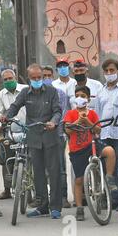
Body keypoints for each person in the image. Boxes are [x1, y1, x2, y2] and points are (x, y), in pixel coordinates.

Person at [4, 64, 63, 219]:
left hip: (50, 137)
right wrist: (6, 116)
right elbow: (15, 106)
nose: (37, 80)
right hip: (34, 137)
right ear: (28, 78)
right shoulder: (25, 93)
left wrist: (53, 122)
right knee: (38, 173)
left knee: (54, 172)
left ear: (43, 77)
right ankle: (42, 206)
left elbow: (57, 110)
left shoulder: (51, 91)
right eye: (34, 78)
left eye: (40, 77)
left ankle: (56, 207)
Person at [64, 86, 117, 221]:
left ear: (88, 99)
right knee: (79, 179)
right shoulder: (70, 113)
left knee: (109, 151)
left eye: (82, 95)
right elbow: (68, 131)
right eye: (77, 95)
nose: (80, 98)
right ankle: (80, 207)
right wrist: (79, 120)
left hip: (92, 145)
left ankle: (109, 178)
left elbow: (98, 130)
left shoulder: (92, 114)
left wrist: (87, 120)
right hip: (77, 148)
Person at [95, 59, 118, 211]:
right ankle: (111, 198)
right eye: (107, 71)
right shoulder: (100, 91)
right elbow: (97, 113)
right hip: (105, 133)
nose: (109, 73)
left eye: (112, 70)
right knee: (108, 168)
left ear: (117, 71)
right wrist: (96, 130)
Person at [0, 69, 28, 200]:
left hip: (28, 129)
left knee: (31, 158)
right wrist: (0, 120)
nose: (8, 81)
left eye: (10, 78)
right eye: (6, 80)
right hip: (10, 131)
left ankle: (33, 189)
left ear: (15, 78)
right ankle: (7, 189)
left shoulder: (26, 89)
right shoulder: (1, 94)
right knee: (7, 159)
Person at [43, 65, 72, 208]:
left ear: (53, 76)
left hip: (57, 135)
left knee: (60, 168)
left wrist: (56, 128)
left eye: (49, 76)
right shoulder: (31, 94)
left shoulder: (60, 93)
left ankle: (63, 197)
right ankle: (44, 199)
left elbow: (64, 114)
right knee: (43, 168)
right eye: (44, 76)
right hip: (40, 136)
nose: (46, 79)